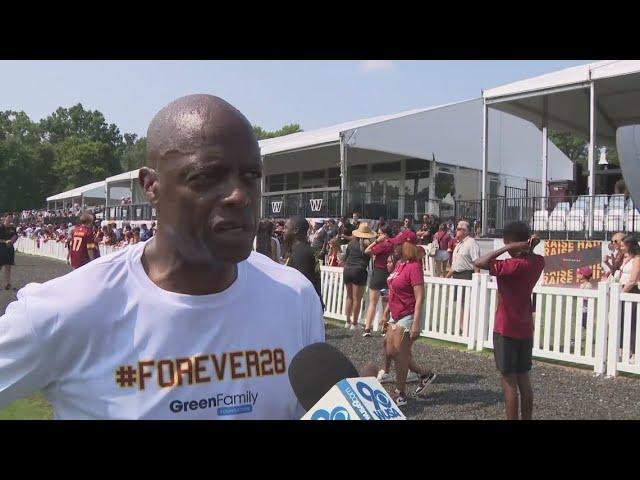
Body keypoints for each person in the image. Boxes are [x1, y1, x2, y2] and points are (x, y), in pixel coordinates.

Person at [0, 94, 324, 419]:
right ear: (151, 186)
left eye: (252, 175)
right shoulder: (68, 310)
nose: (239, 195)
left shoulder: (294, 297)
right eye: (206, 176)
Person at [474, 221, 544, 420]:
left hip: (505, 327)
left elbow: (479, 262)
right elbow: (532, 257)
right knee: (524, 378)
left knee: (509, 383)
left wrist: (508, 248)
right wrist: (528, 247)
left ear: (511, 242)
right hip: (525, 327)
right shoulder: (537, 261)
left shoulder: (511, 266)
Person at [383, 229, 436, 406]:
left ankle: (400, 394)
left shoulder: (414, 267)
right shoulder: (400, 264)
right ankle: (424, 373)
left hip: (409, 314)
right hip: (396, 313)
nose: (395, 247)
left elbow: (420, 296)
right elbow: (393, 291)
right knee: (390, 350)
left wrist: (415, 324)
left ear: (406, 245)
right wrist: (386, 312)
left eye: (398, 244)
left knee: (399, 355)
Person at [283, 214, 323, 306]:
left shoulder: (301, 253)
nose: (283, 231)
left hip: (305, 307)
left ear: (295, 230)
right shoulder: (302, 250)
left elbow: (300, 286)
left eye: (286, 228)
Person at [342, 223, 375, 330]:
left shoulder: (351, 243)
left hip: (347, 270)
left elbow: (345, 258)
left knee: (349, 297)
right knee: (357, 299)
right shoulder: (367, 245)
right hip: (359, 270)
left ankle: (347, 321)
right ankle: (355, 323)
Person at [362, 225, 394, 337]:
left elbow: (367, 251)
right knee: (386, 303)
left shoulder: (383, 245)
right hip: (388, 274)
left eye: (380, 233)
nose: (378, 235)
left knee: (373, 302)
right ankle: (384, 329)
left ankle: (367, 328)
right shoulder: (392, 245)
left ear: (385, 235)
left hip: (378, 273)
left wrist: (376, 241)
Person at [615, 235, 640, 357]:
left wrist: (622, 293)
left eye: (623, 245)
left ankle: (634, 351)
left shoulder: (637, 259)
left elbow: (633, 280)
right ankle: (624, 349)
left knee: (633, 323)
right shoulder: (626, 258)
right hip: (622, 289)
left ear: (629, 245)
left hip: (631, 291)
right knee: (623, 321)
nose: (620, 246)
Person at [0, 215, 18, 290]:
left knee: (8, 267)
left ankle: (7, 284)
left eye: (11, 217)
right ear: (5, 218)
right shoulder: (0, 227)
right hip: (1, 248)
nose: (10, 219)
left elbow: (15, 236)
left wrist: (12, 241)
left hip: (9, 249)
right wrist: (5, 241)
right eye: (8, 217)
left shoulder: (13, 228)